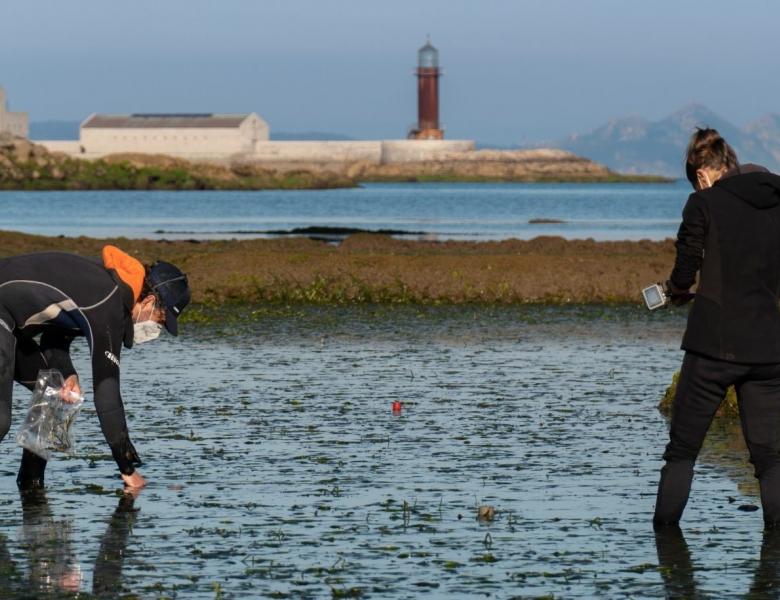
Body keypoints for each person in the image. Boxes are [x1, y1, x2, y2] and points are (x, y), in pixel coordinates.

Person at [654, 128, 780, 528]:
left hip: (713, 348)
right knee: (771, 459)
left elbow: (684, 272)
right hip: (768, 349)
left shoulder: (702, 203)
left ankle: (666, 553)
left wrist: (675, 292)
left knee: (682, 452)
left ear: (703, 173)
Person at [0, 245, 190, 489]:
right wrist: (128, 470)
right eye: (160, 320)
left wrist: (69, 374)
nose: (156, 330)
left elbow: (53, 339)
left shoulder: (104, 293)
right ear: (149, 301)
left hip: (9, 322)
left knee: (56, 393)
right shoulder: (109, 302)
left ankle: (30, 486)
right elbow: (107, 396)